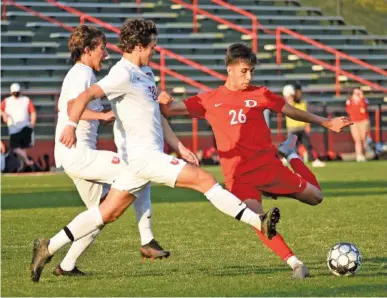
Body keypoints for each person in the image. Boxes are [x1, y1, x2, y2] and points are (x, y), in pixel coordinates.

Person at [30, 19, 280, 283]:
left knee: (106, 213)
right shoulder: (121, 73)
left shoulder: (146, 73)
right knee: (204, 180)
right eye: (152, 46)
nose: (155, 51)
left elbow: (157, 118)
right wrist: (70, 125)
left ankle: (48, 247)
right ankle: (258, 222)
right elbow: (81, 98)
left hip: (136, 164)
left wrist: (180, 146)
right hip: (143, 157)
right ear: (138, 47)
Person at [159, 43, 352, 278]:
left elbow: (290, 110)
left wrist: (327, 122)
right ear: (229, 69)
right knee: (258, 221)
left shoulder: (260, 94)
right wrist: (161, 98)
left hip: (269, 167)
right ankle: (296, 264)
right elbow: (169, 110)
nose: (248, 77)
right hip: (239, 176)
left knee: (316, 197)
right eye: (244, 71)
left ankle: (289, 153)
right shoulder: (209, 100)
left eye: (251, 71)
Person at [52, 25, 172, 276]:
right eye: (101, 49)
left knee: (100, 215)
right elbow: (71, 106)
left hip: (74, 155)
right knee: (139, 167)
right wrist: (102, 115)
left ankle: (65, 265)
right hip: (79, 153)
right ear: (87, 50)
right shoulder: (82, 73)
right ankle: (147, 240)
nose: (105, 55)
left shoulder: (81, 73)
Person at [283, 84, 325, 167]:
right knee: (292, 147)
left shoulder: (303, 103)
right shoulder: (289, 104)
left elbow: (306, 116)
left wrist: (307, 126)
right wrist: (289, 97)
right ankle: (287, 159)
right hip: (292, 129)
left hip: (301, 128)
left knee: (308, 145)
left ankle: (314, 160)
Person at [1, 83, 36, 167]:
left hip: (25, 126)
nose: (16, 94)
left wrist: (32, 124)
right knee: (16, 147)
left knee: (22, 147)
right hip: (13, 128)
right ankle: (25, 162)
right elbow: (0, 110)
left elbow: (33, 112)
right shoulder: (7, 101)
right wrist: (4, 115)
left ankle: (23, 164)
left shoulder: (25, 100)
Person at [345, 87, 370, 162]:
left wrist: (361, 99)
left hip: (363, 121)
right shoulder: (349, 101)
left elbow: (363, 110)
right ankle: (359, 155)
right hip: (354, 122)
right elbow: (349, 111)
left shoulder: (364, 100)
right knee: (357, 139)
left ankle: (364, 154)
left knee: (363, 139)